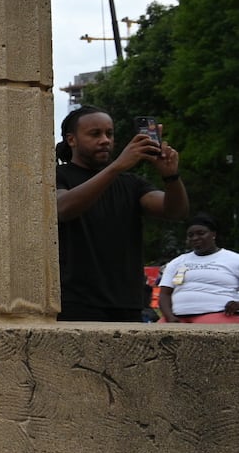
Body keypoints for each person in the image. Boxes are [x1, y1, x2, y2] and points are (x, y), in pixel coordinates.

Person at [55, 105, 189, 321]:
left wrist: (171, 177)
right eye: (95, 134)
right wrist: (117, 166)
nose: (105, 140)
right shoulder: (58, 175)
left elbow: (175, 211)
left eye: (109, 133)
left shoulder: (131, 183)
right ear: (72, 140)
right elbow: (62, 208)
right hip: (75, 302)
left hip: (127, 302)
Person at [157, 213, 239, 324]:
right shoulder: (178, 261)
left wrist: (237, 304)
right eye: (191, 235)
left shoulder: (234, 259)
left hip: (218, 314)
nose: (195, 238)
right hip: (177, 318)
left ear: (213, 234)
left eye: (201, 233)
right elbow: (164, 294)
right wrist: (170, 318)